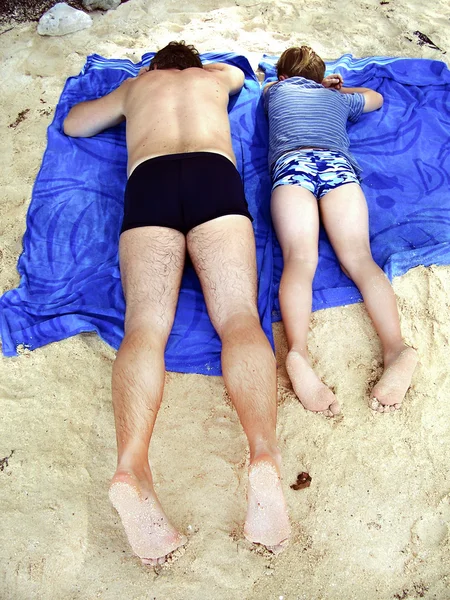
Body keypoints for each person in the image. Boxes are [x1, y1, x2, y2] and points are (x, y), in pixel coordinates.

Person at [63, 41, 290, 564]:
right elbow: (241, 73)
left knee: (144, 326)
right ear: (193, 65)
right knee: (238, 319)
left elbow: (75, 125)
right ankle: (262, 452)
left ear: (154, 67)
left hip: (151, 182)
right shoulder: (213, 79)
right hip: (214, 176)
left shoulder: (137, 86)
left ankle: (132, 463)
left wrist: (127, 90)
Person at [264, 46, 418, 417]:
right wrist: (336, 90)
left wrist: (305, 82)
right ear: (321, 79)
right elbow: (376, 99)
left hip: (293, 166)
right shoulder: (338, 100)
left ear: (284, 76)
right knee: (360, 260)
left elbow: (268, 87)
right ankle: (396, 347)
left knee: (300, 259)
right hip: (337, 166)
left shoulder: (276, 91)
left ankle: (298, 351)